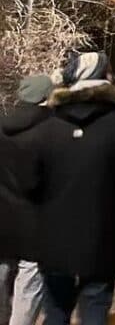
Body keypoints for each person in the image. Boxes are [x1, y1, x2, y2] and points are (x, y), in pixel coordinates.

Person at [26, 51, 115, 325]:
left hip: (53, 237)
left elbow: (31, 180)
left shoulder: (48, 124)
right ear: (106, 79)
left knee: (56, 311)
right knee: (95, 309)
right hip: (103, 234)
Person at [0, 75, 53, 325]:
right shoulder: (52, 131)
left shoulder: (1, 126)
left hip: (2, 221)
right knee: (29, 289)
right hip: (36, 223)